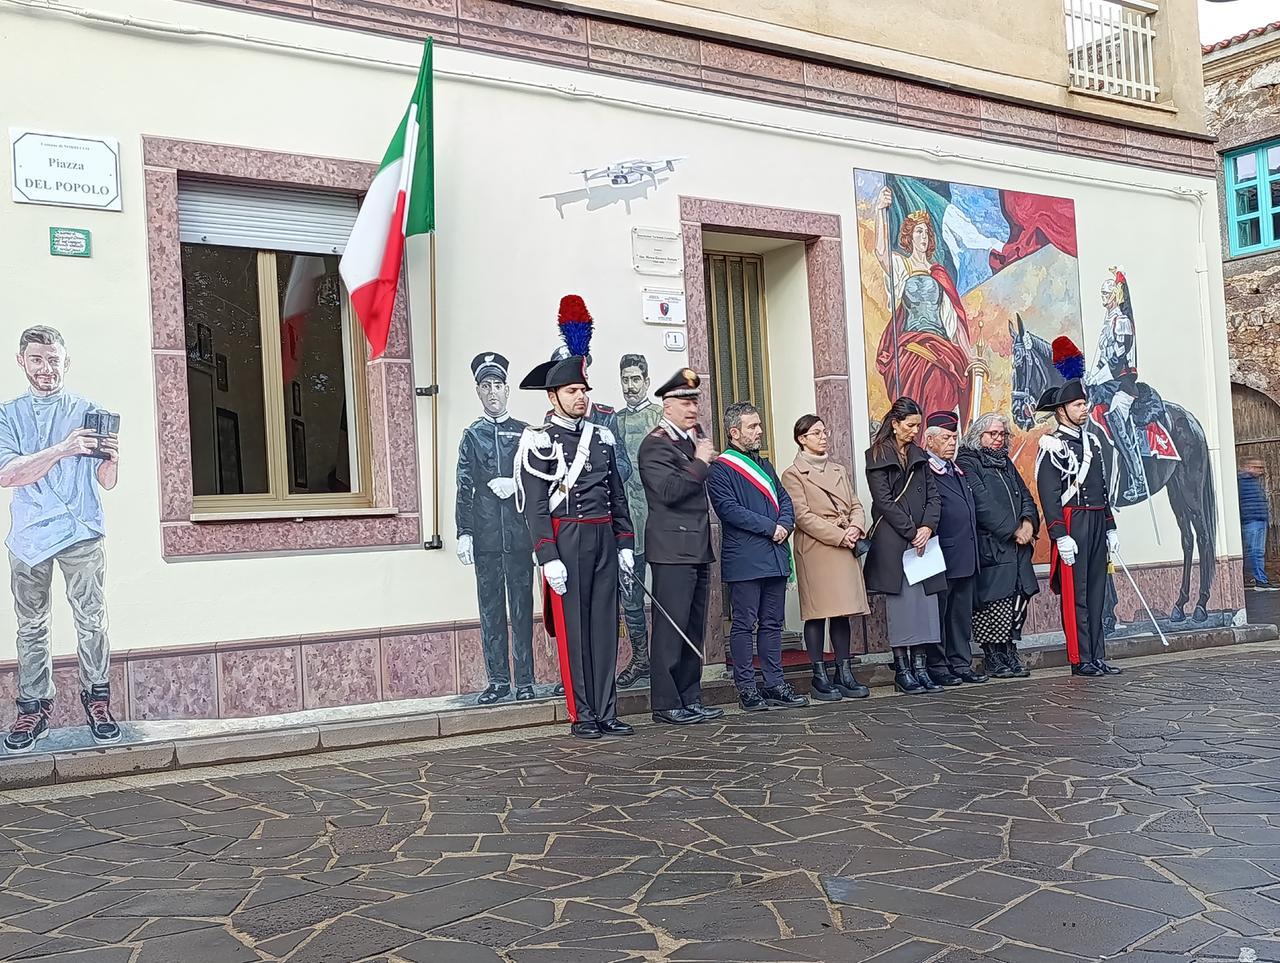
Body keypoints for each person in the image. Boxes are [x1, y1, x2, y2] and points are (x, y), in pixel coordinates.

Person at [515, 295, 636, 739]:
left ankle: (606, 710)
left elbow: (617, 496)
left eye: (584, 390)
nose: (581, 397)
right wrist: (548, 556)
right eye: (571, 391)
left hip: (603, 538)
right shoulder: (538, 441)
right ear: (553, 397)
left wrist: (625, 543)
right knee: (574, 632)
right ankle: (582, 714)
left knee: (604, 627)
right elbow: (534, 505)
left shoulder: (602, 438)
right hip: (566, 540)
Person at [1, 326, 121, 753]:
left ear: (65, 362)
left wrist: (112, 460)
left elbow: (106, 481)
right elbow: (7, 475)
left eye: (53, 360)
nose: (45, 368)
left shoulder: (88, 410)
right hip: (29, 537)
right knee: (31, 625)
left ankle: (98, 701)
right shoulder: (7, 415)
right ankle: (34, 707)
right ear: (22, 361)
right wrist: (63, 449)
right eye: (37, 359)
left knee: (91, 620)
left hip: (81, 531)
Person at [707, 402, 807, 712]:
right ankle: (747, 689)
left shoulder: (765, 465)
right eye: (753, 426)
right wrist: (771, 528)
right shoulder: (720, 468)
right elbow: (729, 510)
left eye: (759, 425)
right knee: (743, 625)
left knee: (772, 624)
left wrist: (785, 524)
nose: (760, 431)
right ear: (734, 432)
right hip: (746, 559)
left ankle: (774, 684)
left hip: (774, 555)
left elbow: (785, 500)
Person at [639, 368, 724, 726]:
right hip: (671, 550)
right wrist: (701, 461)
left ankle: (690, 697)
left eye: (695, 402)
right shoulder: (655, 444)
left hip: (697, 547)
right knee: (670, 630)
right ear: (667, 405)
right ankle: (666, 703)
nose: (692, 409)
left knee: (692, 630)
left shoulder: (692, 441)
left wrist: (701, 457)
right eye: (685, 402)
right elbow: (670, 491)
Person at [455, 352, 535, 705]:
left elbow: (538, 482)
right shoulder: (473, 436)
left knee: (521, 610)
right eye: (485, 386)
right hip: (487, 538)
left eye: (498, 385)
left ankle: (526, 680)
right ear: (478, 391)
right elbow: (464, 486)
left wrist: (515, 485)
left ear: (507, 389)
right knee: (491, 612)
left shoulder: (525, 432)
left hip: (519, 537)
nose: (492, 392)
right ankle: (499, 681)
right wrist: (464, 532)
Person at [873, 189, 985, 430]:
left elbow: (953, 320)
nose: (923, 237)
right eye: (919, 231)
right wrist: (880, 210)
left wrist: (969, 355)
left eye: (926, 232)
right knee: (911, 409)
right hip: (911, 348)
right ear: (909, 236)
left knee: (939, 400)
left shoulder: (939, 274)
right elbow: (881, 252)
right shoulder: (901, 267)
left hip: (941, 349)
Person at [1034, 378, 1122, 678]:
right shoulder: (1052, 445)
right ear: (1062, 410)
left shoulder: (1092, 442)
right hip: (1072, 522)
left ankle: (1097, 655)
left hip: (1096, 520)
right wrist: (1060, 535)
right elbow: (1049, 495)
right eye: (1078, 405)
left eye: (1085, 404)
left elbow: (1102, 489)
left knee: (1097, 592)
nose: (1084, 409)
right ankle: (1080, 657)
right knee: (1076, 594)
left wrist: (1110, 527)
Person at [781, 414, 871, 702]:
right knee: (818, 612)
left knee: (843, 611)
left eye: (824, 432)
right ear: (802, 439)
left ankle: (844, 672)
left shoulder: (838, 469)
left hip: (845, 544)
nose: (823, 437)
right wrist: (839, 535)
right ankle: (818, 676)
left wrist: (856, 526)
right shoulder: (793, 474)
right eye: (816, 433)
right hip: (817, 549)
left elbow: (855, 504)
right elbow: (802, 516)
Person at [863, 397, 947, 695]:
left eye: (918, 426)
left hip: (922, 540)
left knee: (926, 605)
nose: (915, 431)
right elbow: (884, 501)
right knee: (901, 606)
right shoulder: (876, 455)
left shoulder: (919, 455)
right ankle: (903, 669)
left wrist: (927, 527)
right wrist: (912, 531)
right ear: (895, 424)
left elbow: (934, 496)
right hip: (895, 541)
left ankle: (921, 668)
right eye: (910, 425)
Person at [956, 412, 1039, 678]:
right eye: (993, 434)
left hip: (1017, 547)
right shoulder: (968, 461)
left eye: (1002, 434)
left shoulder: (1005, 462)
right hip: (992, 545)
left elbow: (1025, 494)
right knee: (992, 602)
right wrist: (1013, 530)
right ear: (978, 435)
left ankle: (1009, 649)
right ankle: (993, 655)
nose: (998, 439)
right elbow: (982, 504)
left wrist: (1028, 522)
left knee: (1018, 597)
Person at [922, 411, 987, 686]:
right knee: (939, 613)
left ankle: (960, 662)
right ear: (930, 440)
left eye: (954, 438)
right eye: (946, 438)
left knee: (960, 615)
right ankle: (938, 665)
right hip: (941, 553)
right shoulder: (925, 470)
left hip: (964, 554)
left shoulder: (956, 469)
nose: (952, 443)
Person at [615, 353, 662, 687]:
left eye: (635, 379)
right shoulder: (613, 422)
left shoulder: (660, 418)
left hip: (658, 524)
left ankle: (664, 660)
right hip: (626, 528)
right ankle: (641, 659)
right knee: (630, 599)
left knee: (664, 596)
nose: (630, 386)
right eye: (625, 380)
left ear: (646, 381)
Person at [1239, 456, 1271, 589]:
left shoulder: (1252, 482)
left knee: (1257, 552)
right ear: (1248, 467)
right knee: (1255, 552)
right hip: (1251, 521)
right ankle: (1259, 581)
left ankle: (1258, 579)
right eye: (1257, 467)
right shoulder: (1241, 482)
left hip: (1259, 520)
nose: (1260, 470)